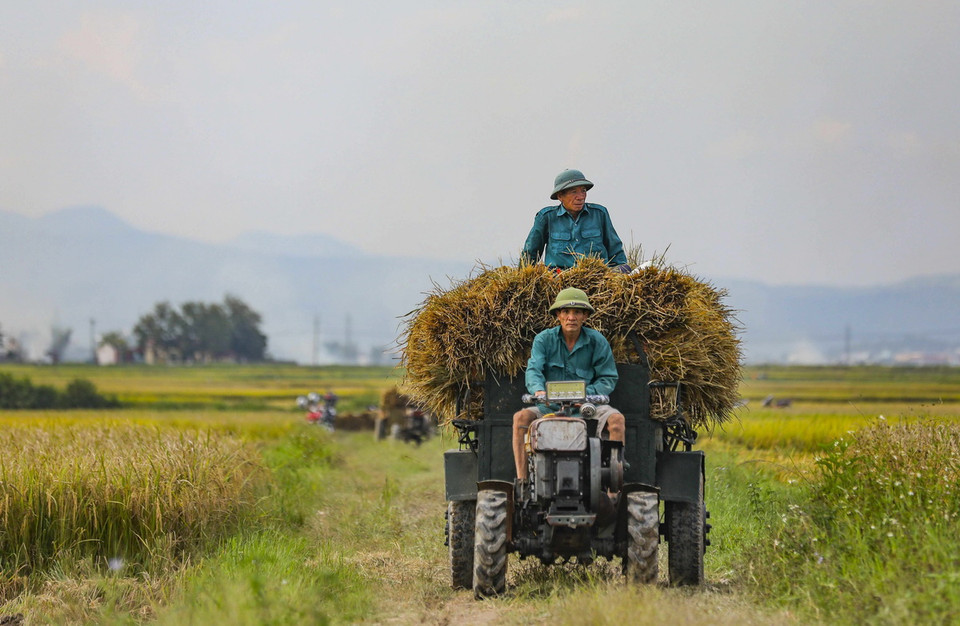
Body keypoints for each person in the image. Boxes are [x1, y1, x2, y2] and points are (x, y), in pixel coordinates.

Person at [512, 287, 625, 481]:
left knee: (617, 420)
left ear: (585, 316)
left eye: (577, 312)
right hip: (549, 406)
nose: (571, 317)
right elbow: (534, 370)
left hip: (586, 406)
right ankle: (523, 482)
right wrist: (538, 391)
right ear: (558, 315)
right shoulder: (543, 340)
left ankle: (612, 486)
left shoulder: (597, 341)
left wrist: (588, 395)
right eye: (566, 312)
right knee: (520, 418)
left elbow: (608, 378)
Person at [521, 169, 629, 271]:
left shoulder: (600, 214)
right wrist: (523, 280)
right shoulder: (546, 217)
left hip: (597, 277)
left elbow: (615, 251)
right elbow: (530, 253)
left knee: (625, 269)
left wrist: (620, 274)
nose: (580, 197)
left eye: (583, 191)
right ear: (560, 196)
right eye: (574, 192)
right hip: (559, 278)